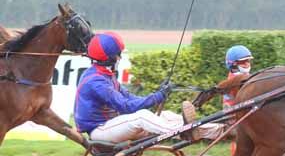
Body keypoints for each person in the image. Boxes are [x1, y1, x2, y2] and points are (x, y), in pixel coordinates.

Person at [74, 32, 221, 147]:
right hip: (99, 131)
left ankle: (220, 130)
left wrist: (158, 94)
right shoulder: (96, 81)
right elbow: (126, 107)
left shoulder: (105, 75)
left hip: (111, 125)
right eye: (118, 55)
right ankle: (184, 129)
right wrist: (157, 97)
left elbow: (130, 98)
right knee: (142, 116)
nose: (120, 58)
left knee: (166, 116)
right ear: (110, 59)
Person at [222, 45, 254, 155]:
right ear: (234, 65)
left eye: (248, 61)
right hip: (236, 121)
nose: (247, 64)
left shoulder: (245, 77)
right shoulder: (235, 80)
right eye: (243, 62)